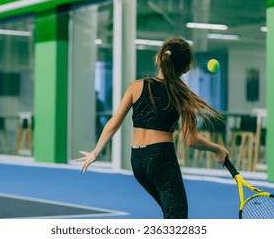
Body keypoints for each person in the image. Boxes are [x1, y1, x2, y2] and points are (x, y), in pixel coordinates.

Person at [75, 37, 229, 219]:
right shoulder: (182, 94)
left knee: (170, 215)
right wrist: (217, 148)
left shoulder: (137, 86)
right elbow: (190, 139)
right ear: (186, 68)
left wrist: (95, 152)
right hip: (161, 160)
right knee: (178, 220)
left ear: (159, 58)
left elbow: (113, 123)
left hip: (138, 162)